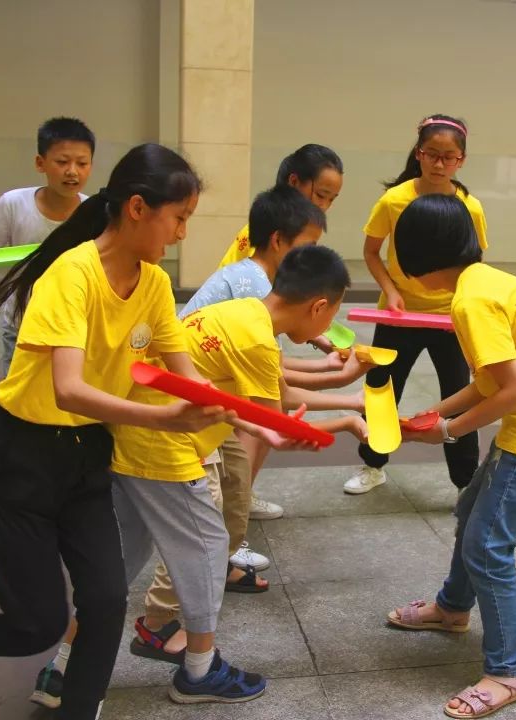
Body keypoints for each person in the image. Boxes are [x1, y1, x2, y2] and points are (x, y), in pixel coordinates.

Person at [0, 144, 233, 720]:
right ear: (138, 207)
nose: (183, 233)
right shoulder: (72, 273)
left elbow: (188, 380)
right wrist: (167, 416)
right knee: (36, 622)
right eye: (179, 217)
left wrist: (261, 417)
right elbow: (68, 388)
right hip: (22, 455)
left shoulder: (155, 283)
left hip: (88, 455)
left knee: (107, 601)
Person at [36, 245, 367, 709]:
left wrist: (346, 395)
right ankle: (198, 671)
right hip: (165, 449)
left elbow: (270, 392)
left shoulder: (242, 314)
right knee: (210, 551)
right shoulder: (256, 339)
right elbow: (276, 421)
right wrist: (349, 422)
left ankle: (60, 669)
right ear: (319, 307)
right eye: (332, 311)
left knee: (122, 561)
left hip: (132, 436)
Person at [386, 194, 516, 719]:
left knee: (487, 546)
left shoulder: (469, 302)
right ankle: (452, 609)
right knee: (468, 514)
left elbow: (515, 390)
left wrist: (449, 431)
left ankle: (504, 673)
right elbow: (489, 380)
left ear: (416, 257)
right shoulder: (489, 281)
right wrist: (432, 413)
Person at [179, 185, 367, 584]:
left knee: (233, 487)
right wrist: (348, 418)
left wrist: (340, 384)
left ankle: (221, 562)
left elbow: (275, 381)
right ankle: (164, 618)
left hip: (214, 410)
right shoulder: (253, 302)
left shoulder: (256, 308)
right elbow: (276, 416)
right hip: (181, 427)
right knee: (203, 530)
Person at [346, 114, 486, 496]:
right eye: (432, 154)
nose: (439, 164)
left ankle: (465, 482)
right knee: (382, 389)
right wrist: (391, 290)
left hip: (449, 319)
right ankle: (372, 464)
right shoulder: (394, 199)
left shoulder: (470, 206)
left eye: (449, 157)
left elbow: (474, 262)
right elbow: (372, 252)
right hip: (399, 315)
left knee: (459, 396)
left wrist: (466, 307)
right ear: (419, 154)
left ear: (462, 160)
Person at [0, 117, 95, 375]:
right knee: (18, 406)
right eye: (62, 162)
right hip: (23, 328)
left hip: (76, 331)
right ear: (40, 163)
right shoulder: (14, 203)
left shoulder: (96, 213)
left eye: (82, 163)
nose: (72, 171)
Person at [215, 143, 342, 268]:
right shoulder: (263, 230)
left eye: (331, 199)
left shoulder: (305, 228)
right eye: (320, 195)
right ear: (294, 182)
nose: (324, 206)